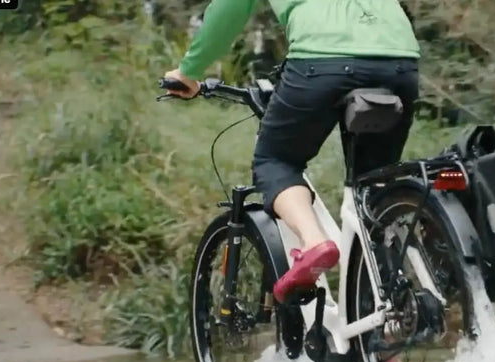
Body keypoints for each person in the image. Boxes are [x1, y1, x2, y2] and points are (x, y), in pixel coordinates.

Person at [163, 0, 421, 305]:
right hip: (400, 60)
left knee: (275, 161)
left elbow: (228, 9)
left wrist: (189, 70)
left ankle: (313, 243)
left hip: (322, 60)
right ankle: (380, 331)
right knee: (374, 190)